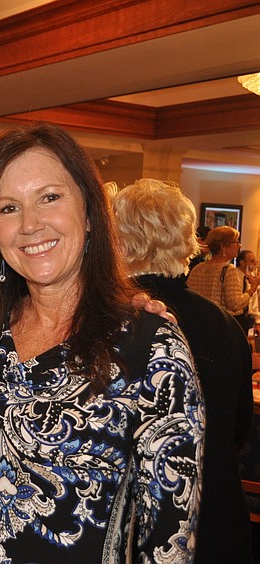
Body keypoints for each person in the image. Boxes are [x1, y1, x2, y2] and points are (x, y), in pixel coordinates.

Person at [0, 125, 203, 562]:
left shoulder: (149, 347)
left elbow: (170, 537)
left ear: (91, 212)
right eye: (8, 207)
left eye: (50, 197)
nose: (30, 224)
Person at [113, 178, 252, 563]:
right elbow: (240, 430)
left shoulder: (109, 323)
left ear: (117, 240)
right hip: (219, 517)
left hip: (147, 526)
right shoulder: (226, 324)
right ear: (188, 240)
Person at [187, 225, 258, 320]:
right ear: (223, 246)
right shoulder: (228, 269)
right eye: (236, 242)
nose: (239, 245)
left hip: (199, 321)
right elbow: (235, 304)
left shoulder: (197, 268)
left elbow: (190, 297)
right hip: (220, 322)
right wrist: (252, 288)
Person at [237, 248, 259, 333]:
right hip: (237, 317)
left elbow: (253, 299)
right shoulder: (234, 276)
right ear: (242, 263)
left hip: (248, 319)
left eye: (255, 261)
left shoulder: (249, 278)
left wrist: (257, 322)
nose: (255, 264)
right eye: (252, 261)